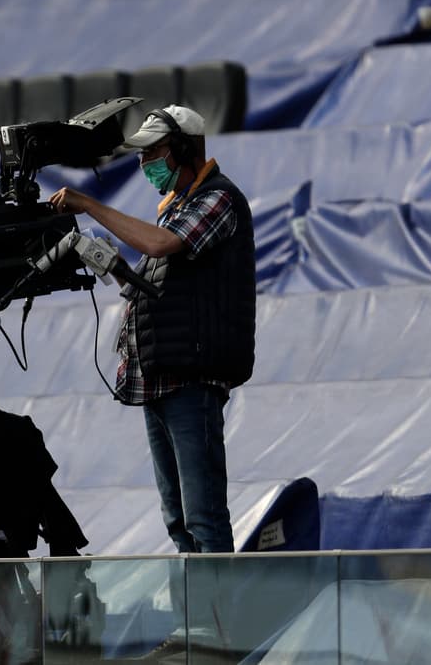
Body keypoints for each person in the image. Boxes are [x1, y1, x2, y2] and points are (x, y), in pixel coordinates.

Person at [48, 105, 256, 555]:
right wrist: (112, 263)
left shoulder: (218, 199)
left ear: (183, 148)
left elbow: (163, 245)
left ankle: (215, 625)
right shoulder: (174, 210)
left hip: (191, 378)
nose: (146, 164)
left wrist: (88, 205)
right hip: (160, 377)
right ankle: (197, 617)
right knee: (178, 519)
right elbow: (152, 283)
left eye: (154, 152)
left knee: (203, 516)